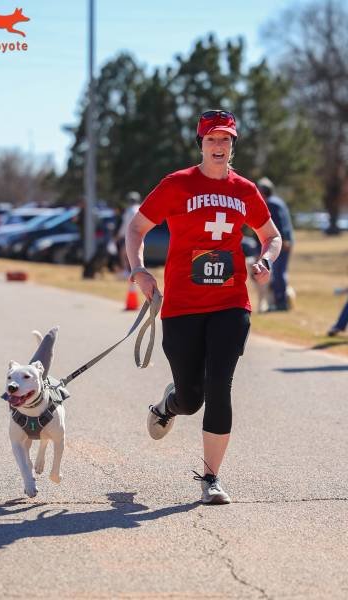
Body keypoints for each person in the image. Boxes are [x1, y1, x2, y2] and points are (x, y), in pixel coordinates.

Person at [126, 110, 282, 505]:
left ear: (233, 146)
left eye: (226, 139)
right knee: (191, 398)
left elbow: (272, 236)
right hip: (182, 307)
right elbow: (136, 228)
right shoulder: (177, 184)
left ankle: (211, 478)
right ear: (201, 144)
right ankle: (169, 403)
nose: (219, 145)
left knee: (219, 386)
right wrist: (139, 271)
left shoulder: (244, 190)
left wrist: (265, 260)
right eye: (212, 139)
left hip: (230, 303)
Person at [257, 177, 294, 311]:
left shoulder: (272, 203)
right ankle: (279, 301)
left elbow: (280, 223)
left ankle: (281, 302)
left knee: (279, 273)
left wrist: (284, 240)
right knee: (277, 272)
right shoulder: (275, 201)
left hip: (282, 243)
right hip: (283, 241)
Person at [116, 191, 141, 278]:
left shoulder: (129, 210)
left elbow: (126, 225)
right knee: (136, 254)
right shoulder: (140, 208)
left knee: (124, 254)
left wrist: (119, 235)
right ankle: (134, 272)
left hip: (131, 235)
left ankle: (126, 271)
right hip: (140, 234)